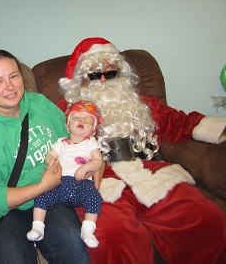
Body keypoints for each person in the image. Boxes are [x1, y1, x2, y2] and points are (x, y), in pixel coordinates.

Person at [57, 37, 226, 263]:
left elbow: (179, 122)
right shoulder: (63, 111)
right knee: (111, 235)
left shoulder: (141, 103)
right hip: (96, 181)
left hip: (147, 174)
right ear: (81, 80)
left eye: (111, 73)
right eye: (95, 74)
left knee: (205, 216)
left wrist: (218, 128)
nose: (104, 80)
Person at [0, 49, 89, 263]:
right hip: (9, 210)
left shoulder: (39, 104)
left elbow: (68, 139)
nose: (9, 87)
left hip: (52, 198)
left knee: (76, 252)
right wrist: (42, 186)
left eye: (13, 76)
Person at [27, 100, 104, 248]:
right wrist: (51, 163)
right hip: (60, 183)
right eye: (76, 118)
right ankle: (38, 226)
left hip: (82, 184)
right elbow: (49, 156)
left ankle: (87, 230)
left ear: (93, 131)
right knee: (41, 194)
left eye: (87, 120)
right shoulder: (61, 142)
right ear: (67, 125)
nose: (81, 120)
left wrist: (85, 168)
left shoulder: (91, 142)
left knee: (95, 197)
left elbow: (98, 162)